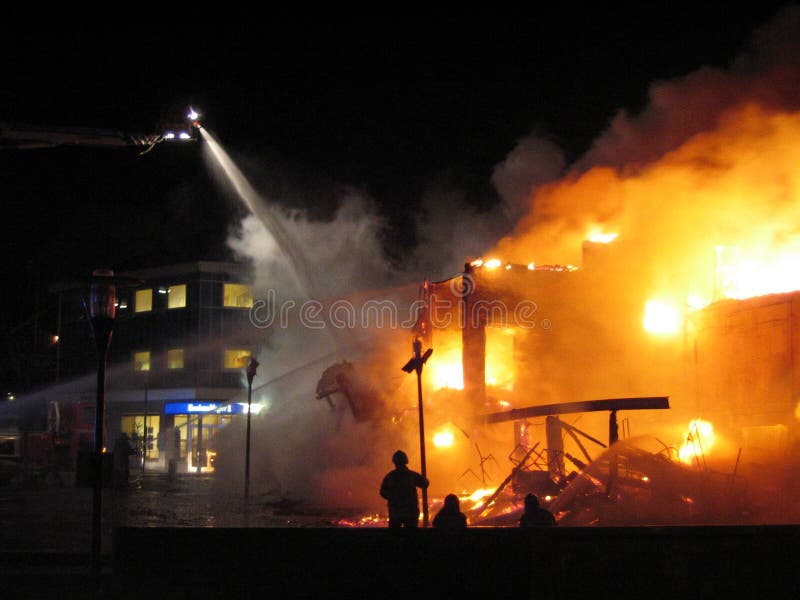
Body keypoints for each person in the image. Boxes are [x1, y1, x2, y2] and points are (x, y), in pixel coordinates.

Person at [379, 449, 429, 528]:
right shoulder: (411, 476)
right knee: (410, 537)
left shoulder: (390, 477)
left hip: (395, 512)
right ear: (405, 461)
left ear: (394, 462)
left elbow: (382, 492)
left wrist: (393, 498)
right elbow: (425, 483)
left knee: (395, 536)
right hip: (410, 512)